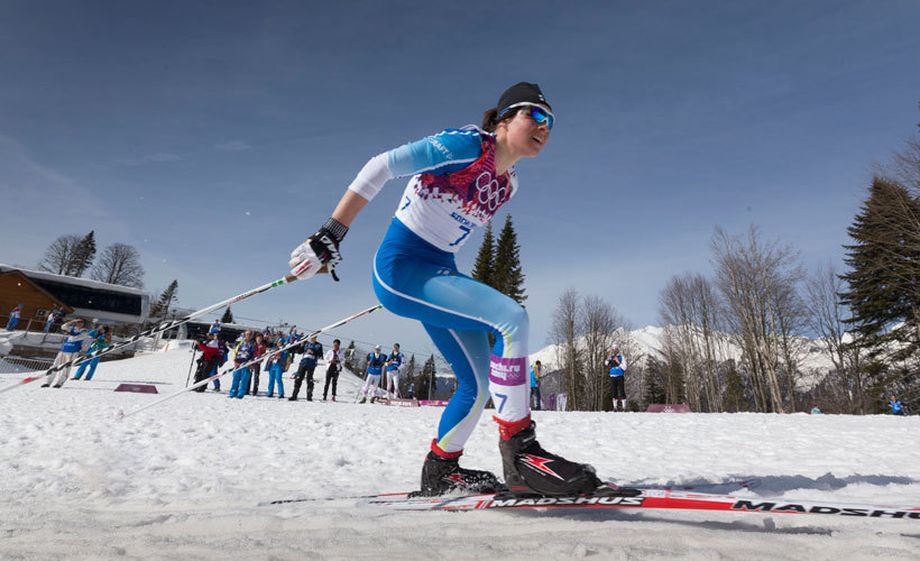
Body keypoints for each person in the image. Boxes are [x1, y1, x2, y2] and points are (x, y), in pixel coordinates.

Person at [288, 82, 617, 498]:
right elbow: (381, 166)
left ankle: (441, 469)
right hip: (402, 270)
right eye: (534, 115)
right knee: (511, 318)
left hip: (438, 274)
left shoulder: (509, 184)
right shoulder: (463, 146)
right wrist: (330, 235)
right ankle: (521, 452)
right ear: (502, 120)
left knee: (477, 387)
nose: (544, 127)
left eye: (550, 121)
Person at [42, 318, 91, 388]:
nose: (79, 323)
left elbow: (75, 338)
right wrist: (71, 322)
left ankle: (59, 383)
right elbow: (63, 327)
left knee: (66, 367)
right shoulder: (72, 329)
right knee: (55, 366)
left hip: (73, 351)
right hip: (63, 350)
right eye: (77, 321)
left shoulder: (84, 331)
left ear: (83, 323)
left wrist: (69, 332)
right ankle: (48, 382)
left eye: (81, 322)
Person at [289, 335, 323, 401]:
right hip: (303, 363)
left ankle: (309, 396)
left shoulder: (318, 345)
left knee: (309, 379)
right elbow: (299, 352)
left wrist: (313, 352)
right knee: (298, 378)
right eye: (312, 337)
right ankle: (294, 395)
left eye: (314, 337)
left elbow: (320, 354)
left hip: (311, 364)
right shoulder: (306, 343)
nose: (313, 338)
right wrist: (301, 345)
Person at [227, 331, 254, 399]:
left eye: (250, 334)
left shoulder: (253, 344)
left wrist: (251, 363)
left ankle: (240, 394)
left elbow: (254, 355)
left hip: (246, 364)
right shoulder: (240, 343)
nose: (248, 335)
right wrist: (235, 361)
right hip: (238, 363)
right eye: (247, 334)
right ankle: (232, 393)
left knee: (244, 380)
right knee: (235, 379)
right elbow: (235, 352)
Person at [606, 345, 627, 412]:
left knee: (622, 391)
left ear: (618, 350)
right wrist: (608, 357)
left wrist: (618, 362)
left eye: (615, 349)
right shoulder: (611, 358)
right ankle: (615, 407)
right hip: (612, 376)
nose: (614, 351)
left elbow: (624, 367)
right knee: (614, 392)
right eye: (613, 349)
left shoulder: (621, 357)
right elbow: (606, 363)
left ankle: (624, 407)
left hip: (620, 376)